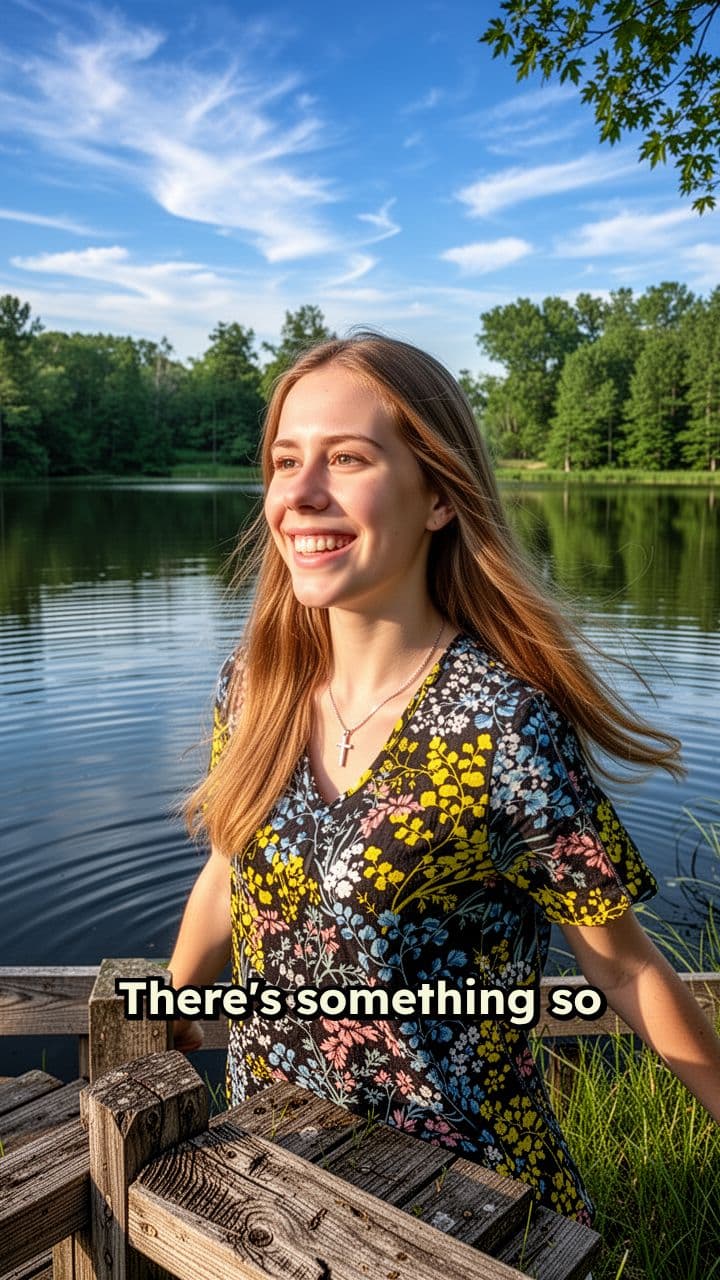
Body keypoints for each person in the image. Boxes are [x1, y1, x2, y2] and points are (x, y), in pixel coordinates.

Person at [169, 332, 720, 1228]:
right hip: (271, 1175)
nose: (301, 495)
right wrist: (178, 1003)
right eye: (284, 461)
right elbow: (233, 866)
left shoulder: (505, 725)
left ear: (436, 496)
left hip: (458, 1202)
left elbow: (622, 969)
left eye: (347, 458)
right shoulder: (255, 682)